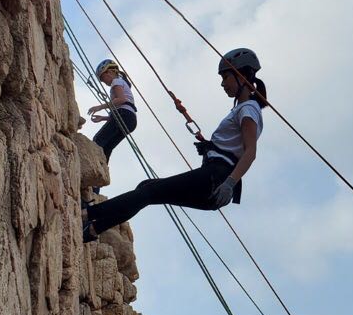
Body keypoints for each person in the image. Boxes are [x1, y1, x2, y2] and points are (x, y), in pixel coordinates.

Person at [83, 48, 267, 242]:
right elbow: (234, 148)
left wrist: (230, 182)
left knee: (148, 192)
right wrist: (209, 148)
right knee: (147, 188)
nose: (223, 83)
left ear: (240, 75)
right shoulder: (243, 109)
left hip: (217, 177)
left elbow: (250, 152)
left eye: (226, 77)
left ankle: (87, 214)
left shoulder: (248, 109)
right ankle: (92, 230)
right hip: (215, 179)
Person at [89, 59, 138, 162]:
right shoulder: (121, 82)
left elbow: (121, 100)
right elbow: (123, 107)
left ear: (110, 72)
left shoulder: (116, 81)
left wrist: (99, 107)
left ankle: (95, 166)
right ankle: (102, 170)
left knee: (98, 140)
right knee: (107, 147)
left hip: (124, 115)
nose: (104, 82)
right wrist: (104, 118)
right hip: (130, 119)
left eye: (103, 78)